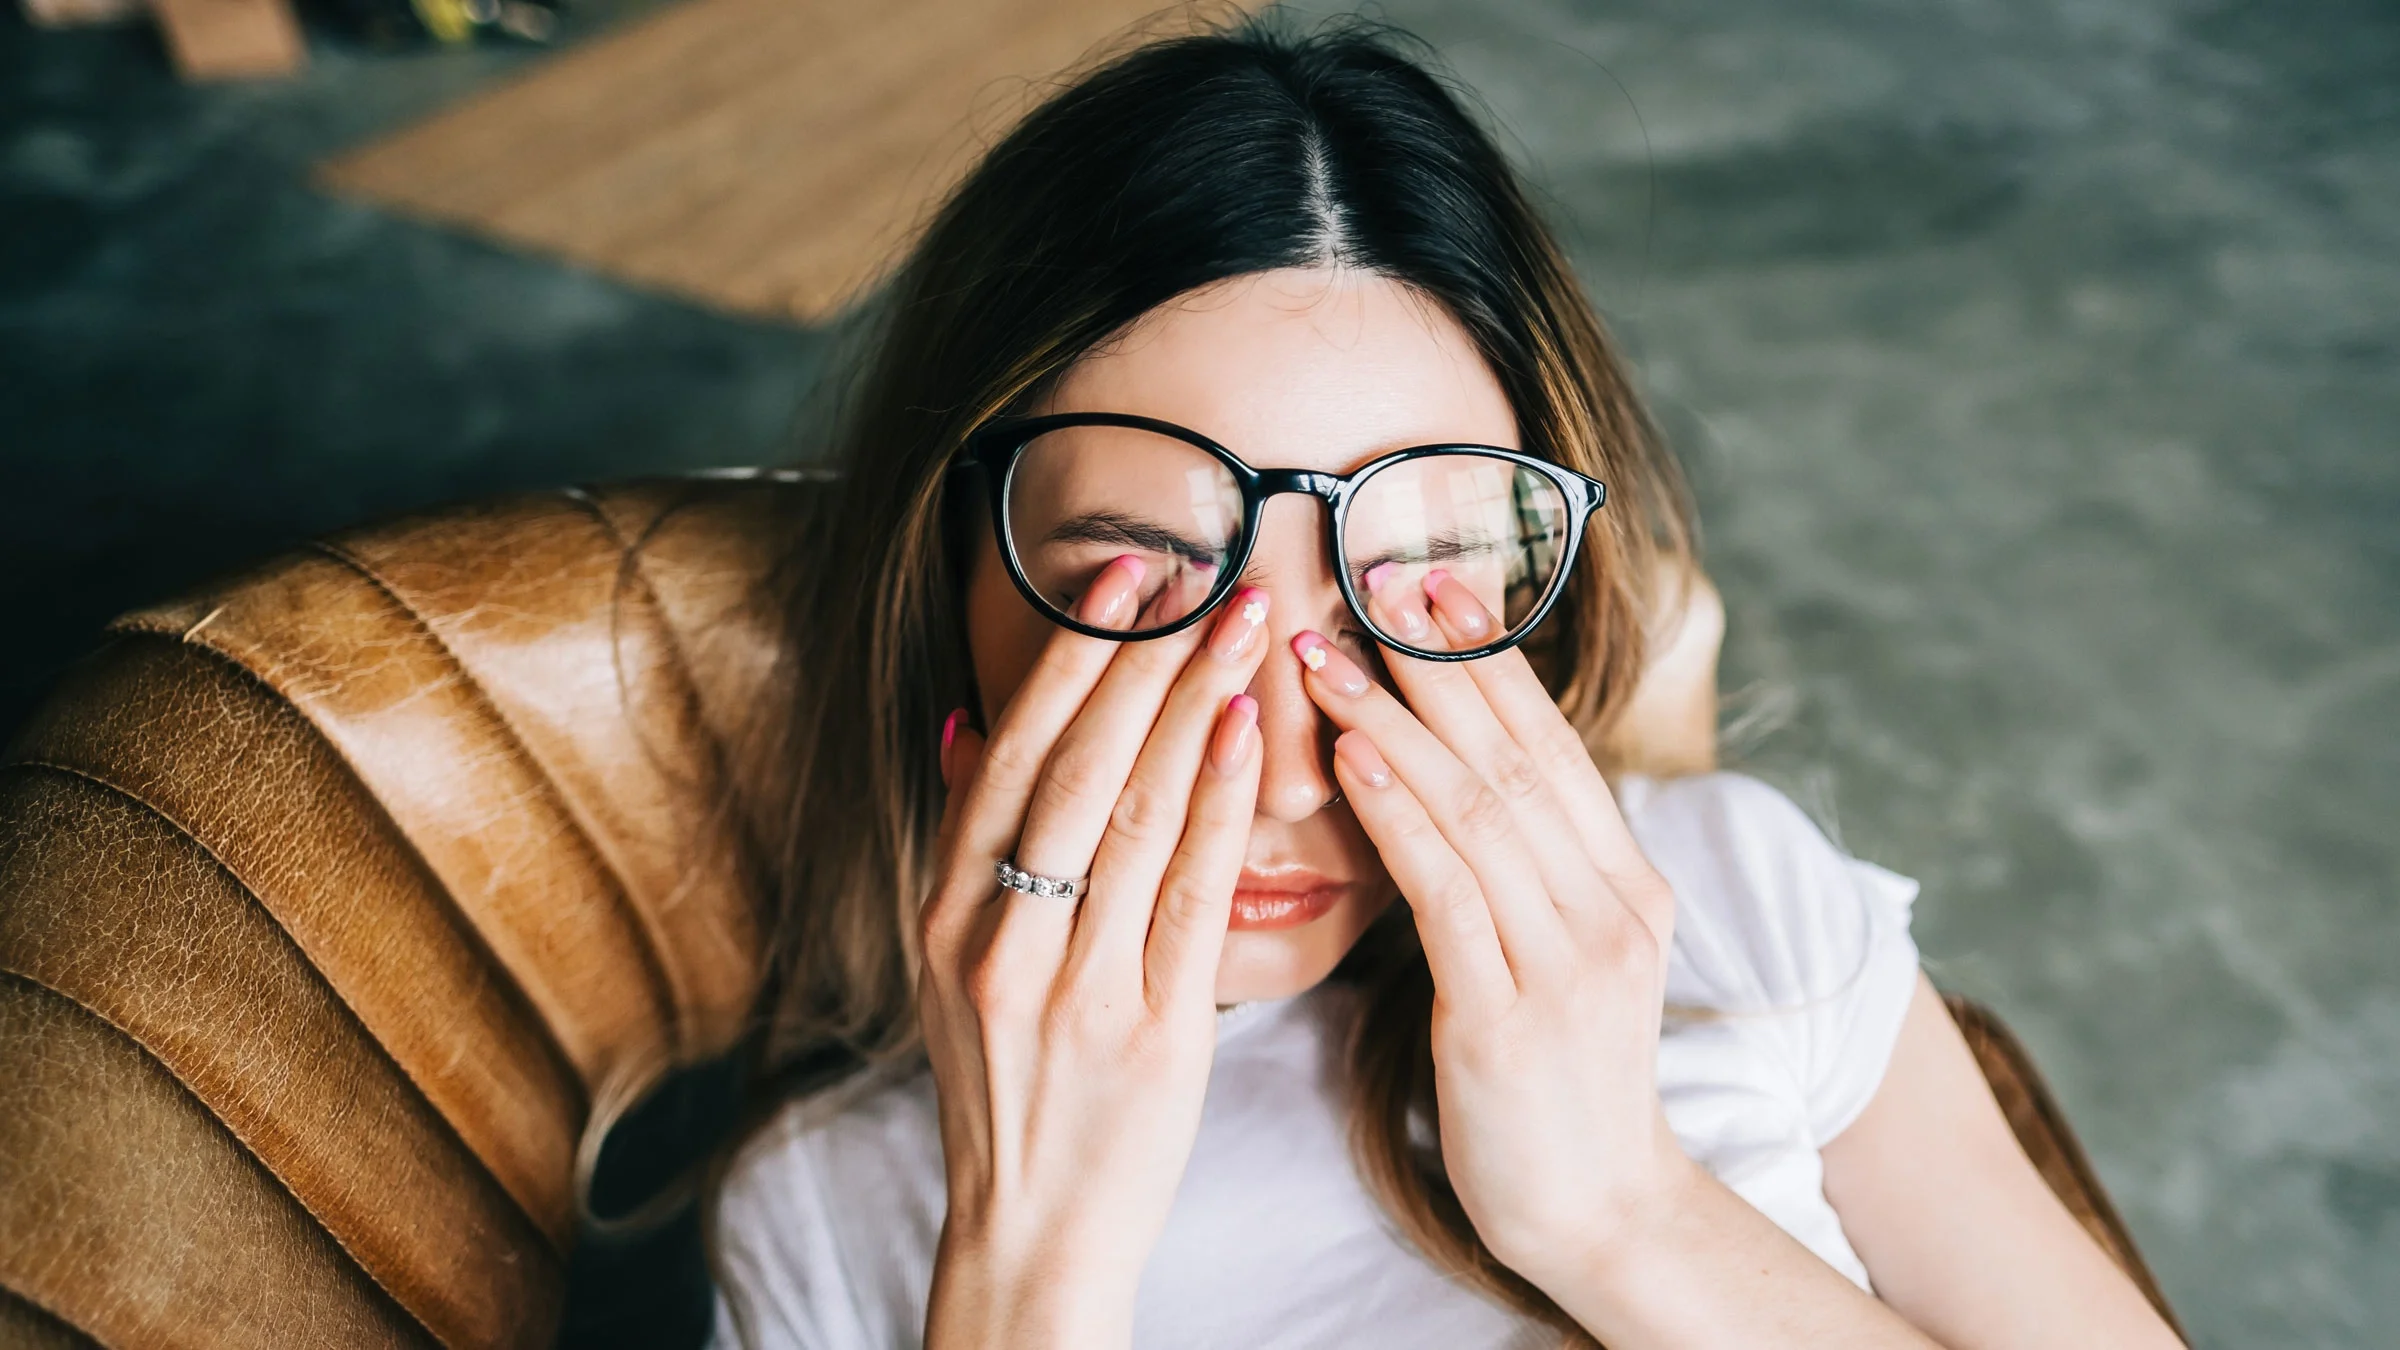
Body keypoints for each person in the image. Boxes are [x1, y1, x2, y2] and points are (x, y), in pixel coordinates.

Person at [704, 18, 2186, 1350]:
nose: (1288, 772)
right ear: (946, 582)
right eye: (1144, 590)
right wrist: (1029, 1275)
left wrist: (1620, 1211)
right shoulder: (826, 1217)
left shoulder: (1732, 904)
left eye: (1410, 587)